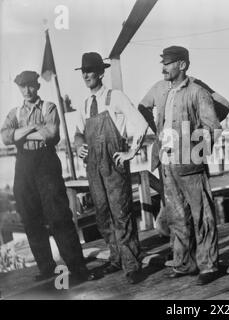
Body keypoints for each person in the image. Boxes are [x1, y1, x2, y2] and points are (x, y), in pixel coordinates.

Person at [1, 71, 97, 283]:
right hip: (23, 166)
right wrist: (34, 127)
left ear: (37, 86)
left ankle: (78, 268)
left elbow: (52, 134)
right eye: (22, 87)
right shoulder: (15, 112)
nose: (27, 91)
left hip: (46, 165)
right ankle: (47, 268)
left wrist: (21, 133)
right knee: (30, 218)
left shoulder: (49, 107)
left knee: (59, 217)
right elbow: (5, 137)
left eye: (30, 86)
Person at [139, 46, 222, 285]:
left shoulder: (197, 92)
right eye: (163, 63)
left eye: (168, 63)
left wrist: (195, 155)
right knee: (177, 217)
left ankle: (208, 265)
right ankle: (184, 263)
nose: (163, 67)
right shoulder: (166, 93)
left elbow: (212, 127)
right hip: (167, 164)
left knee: (202, 216)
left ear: (182, 65)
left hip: (190, 165)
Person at [74, 52, 148, 284]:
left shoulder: (115, 97)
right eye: (83, 71)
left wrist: (131, 152)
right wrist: (78, 146)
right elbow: (77, 133)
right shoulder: (85, 104)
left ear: (101, 72)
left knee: (121, 213)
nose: (86, 74)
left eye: (90, 70)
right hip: (93, 167)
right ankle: (116, 258)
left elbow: (141, 124)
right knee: (103, 214)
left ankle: (132, 265)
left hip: (113, 165)